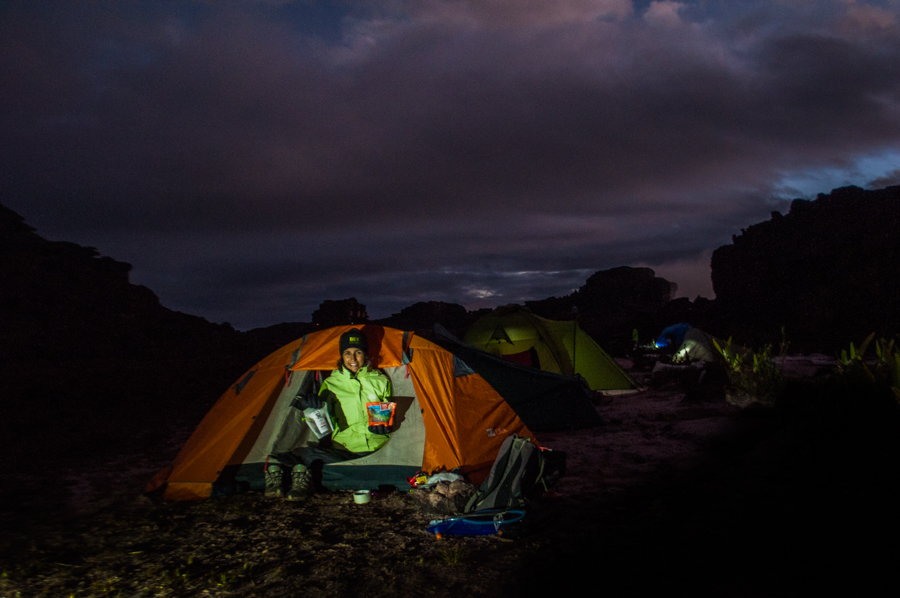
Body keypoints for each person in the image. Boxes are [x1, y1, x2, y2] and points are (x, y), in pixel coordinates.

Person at [267, 328, 394, 501]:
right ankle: (297, 481)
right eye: (347, 353)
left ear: (365, 354)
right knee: (309, 454)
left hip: (379, 450)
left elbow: (384, 411)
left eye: (358, 352)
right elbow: (321, 419)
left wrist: (385, 426)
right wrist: (311, 407)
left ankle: (321, 479)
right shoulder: (331, 383)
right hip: (344, 450)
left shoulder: (380, 380)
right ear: (341, 356)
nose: (353, 359)